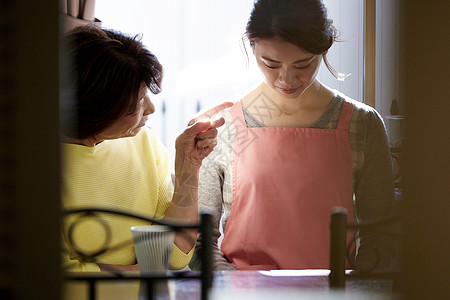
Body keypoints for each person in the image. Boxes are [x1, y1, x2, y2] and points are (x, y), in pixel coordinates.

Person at [190, 0, 397, 271]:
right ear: (251, 46)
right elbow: (200, 241)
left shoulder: (363, 124)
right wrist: (234, 286)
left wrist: (353, 285)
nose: (287, 80)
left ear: (325, 48)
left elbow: (380, 236)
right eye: (271, 64)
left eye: (303, 65)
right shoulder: (221, 125)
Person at [60, 25, 233, 272]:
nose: (151, 109)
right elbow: (60, 278)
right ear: (98, 109)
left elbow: (175, 255)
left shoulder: (145, 144)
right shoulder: (36, 165)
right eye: (139, 101)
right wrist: (142, 270)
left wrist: (188, 168)